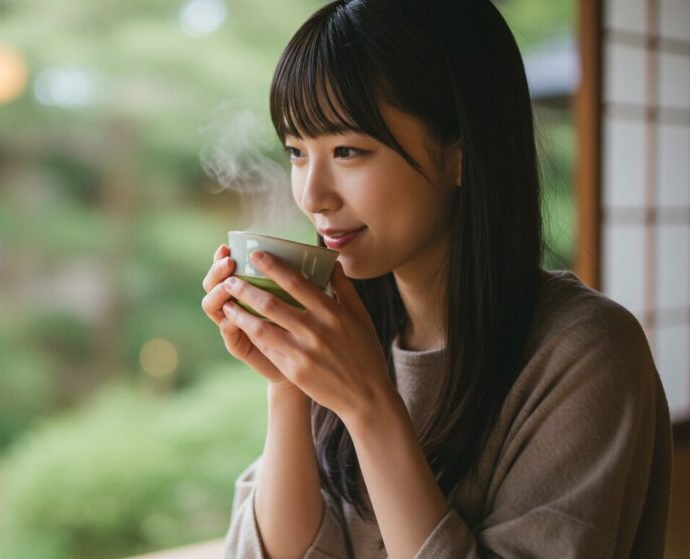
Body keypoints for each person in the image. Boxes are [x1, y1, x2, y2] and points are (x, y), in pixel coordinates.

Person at [199, 0, 673, 557]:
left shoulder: (584, 353)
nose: (311, 196)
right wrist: (287, 385)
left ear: (461, 156)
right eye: (297, 152)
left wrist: (370, 406)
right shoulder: (346, 328)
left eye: (348, 150)